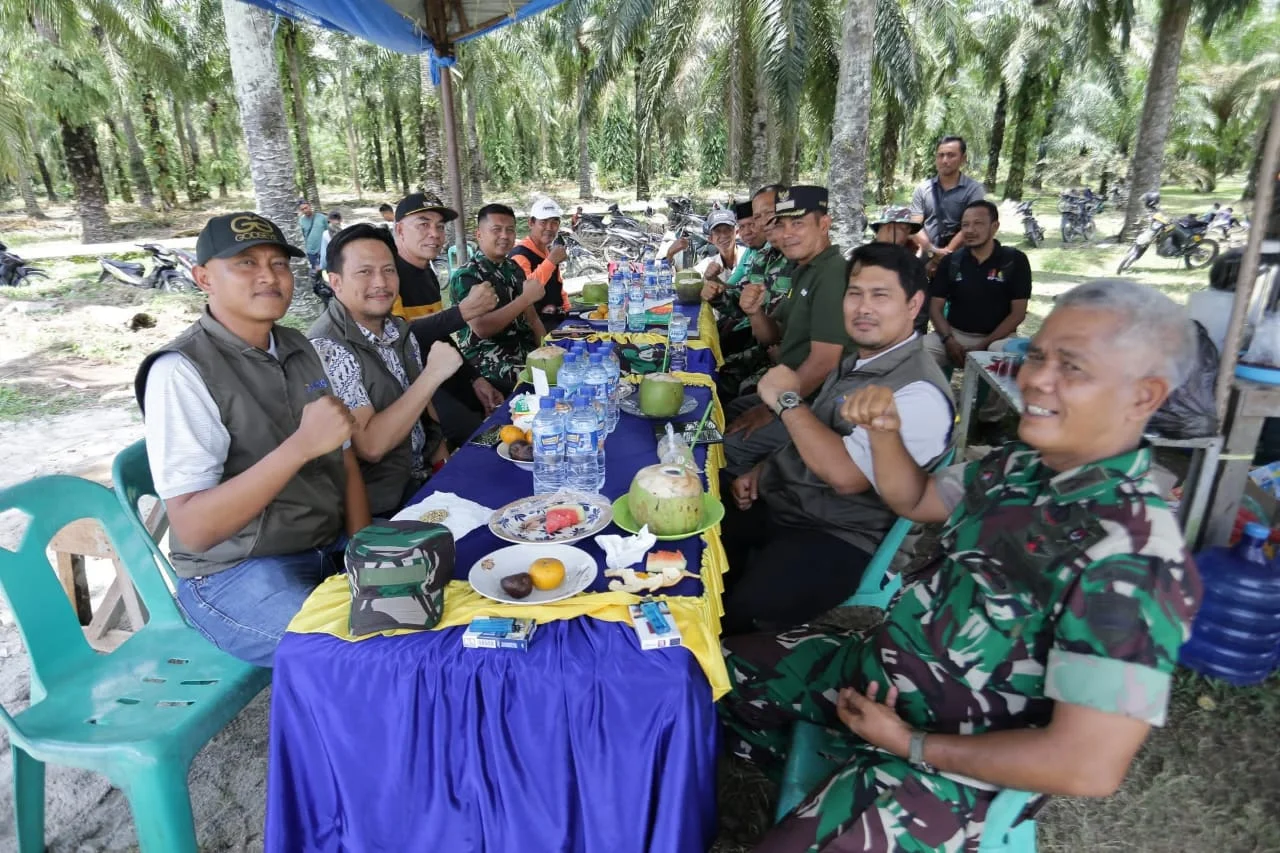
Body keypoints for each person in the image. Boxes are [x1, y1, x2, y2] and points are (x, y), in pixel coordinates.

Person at [718, 279, 1203, 852]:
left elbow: (1086, 766)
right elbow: (916, 501)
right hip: (874, 675)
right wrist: (885, 436)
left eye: (1071, 368)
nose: (1035, 380)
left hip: (950, 769)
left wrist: (909, 745)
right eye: (1037, 355)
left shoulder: (1132, 557)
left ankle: (840, 789)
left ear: (1144, 396)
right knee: (705, 673)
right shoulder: (1022, 465)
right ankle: (806, 770)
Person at [135, 212, 372, 667]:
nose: (268, 276)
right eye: (245, 263)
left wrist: (363, 554)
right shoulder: (182, 371)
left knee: (426, 604)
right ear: (203, 277)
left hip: (325, 547)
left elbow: (344, 463)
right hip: (234, 572)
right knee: (355, 658)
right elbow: (194, 529)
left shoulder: (298, 347)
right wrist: (300, 447)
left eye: (279, 263)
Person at [721, 243, 953, 635]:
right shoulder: (861, 359)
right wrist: (762, 469)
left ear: (914, 305)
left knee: (734, 612)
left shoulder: (918, 392)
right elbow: (818, 432)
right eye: (855, 293)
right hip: (791, 502)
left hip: (842, 535)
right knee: (693, 526)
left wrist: (787, 401)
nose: (864, 308)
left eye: (881, 296)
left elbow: (847, 476)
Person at [309, 224, 465, 517]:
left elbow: (424, 411)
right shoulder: (328, 346)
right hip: (382, 504)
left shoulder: (397, 328)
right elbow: (371, 446)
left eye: (389, 270)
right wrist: (433, 375)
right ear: (336, 282)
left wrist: (446, 472)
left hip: (423, 481)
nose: (380, 282)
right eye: (364, 272)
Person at [723, 185, 853, 475]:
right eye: (780, 224)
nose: (787, 233)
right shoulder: (804, 270)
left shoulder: (832, 274)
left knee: (728, 444)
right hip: (791, 390)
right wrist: (755, 312)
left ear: (824, 224)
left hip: (820, 405)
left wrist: (770, 410)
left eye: (798, 223)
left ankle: (752, 507)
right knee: (725, 412)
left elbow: (824, 363)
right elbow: (772, 335)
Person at [390, 192, 504, 448]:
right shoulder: (389, 276)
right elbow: (399, 338)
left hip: (441, 371)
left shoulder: (426, 273)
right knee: (475, 435)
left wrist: (475, 378)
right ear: (399, 230)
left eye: (440, 226)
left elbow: (438, 335)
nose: (435, 233)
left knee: (501, 407)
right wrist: (463, 312)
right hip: (409, 385)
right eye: (423, 224)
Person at [449, 203, 546, 394]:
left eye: (510, 230)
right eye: (496, 230)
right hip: (488, 360)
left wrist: (548, 349)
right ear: (479, 235)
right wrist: (524, 299)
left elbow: (533, 318)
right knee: (542, 383)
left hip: (524, 351)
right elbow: (482, 328)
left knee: (567, 366)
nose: (504, 235)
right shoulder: (467, 275)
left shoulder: (513, 269)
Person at [925, 200, 1032, 368]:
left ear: (994, 226)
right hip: (955, 334)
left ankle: (991, 395)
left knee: (1012, 362)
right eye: (965, 225)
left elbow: (1018, 314)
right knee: (921, 351)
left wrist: (984, 344)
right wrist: (948, 340)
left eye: (978, 224)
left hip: (998, 338)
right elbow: (935, 307)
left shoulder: (1014, 260)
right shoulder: (952, 261)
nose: (970, 230)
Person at [910, 136, 986, 260]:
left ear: (963, 158)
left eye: (951, 155)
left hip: (961, 259)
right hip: (926, 257)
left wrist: (944, 254)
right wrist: (932, 250)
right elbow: (915, 225)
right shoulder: (923, 189)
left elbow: (972, 226)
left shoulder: (973, 190)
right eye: (941, 155)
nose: (945, 160)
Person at [509, 197, 571, 320]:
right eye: (543, 222)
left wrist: (568, 308)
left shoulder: (547, 251)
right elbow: (525, 292)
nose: (549, 227)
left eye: (554, 222)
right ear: (531, 223)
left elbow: (557, 286)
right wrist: (551, 262)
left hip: (556, 319)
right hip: (534, 326)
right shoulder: (520, 255)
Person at [870, 206, 928, 335]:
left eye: (908, 230)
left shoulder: (913, 261)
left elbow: (920, 310)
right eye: (904, 229)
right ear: (890, 227)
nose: (907, 235)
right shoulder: (863, 259)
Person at [298, 197, 327, 275]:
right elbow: (302, 236)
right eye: (302, 209)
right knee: (316, 273)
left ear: (310, 206)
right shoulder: (301, 221)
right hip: (311, 251)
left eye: (306, 208)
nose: (305, 210)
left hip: (324, 249)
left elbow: (328, 232)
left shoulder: (322, 217)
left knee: (330, 270)